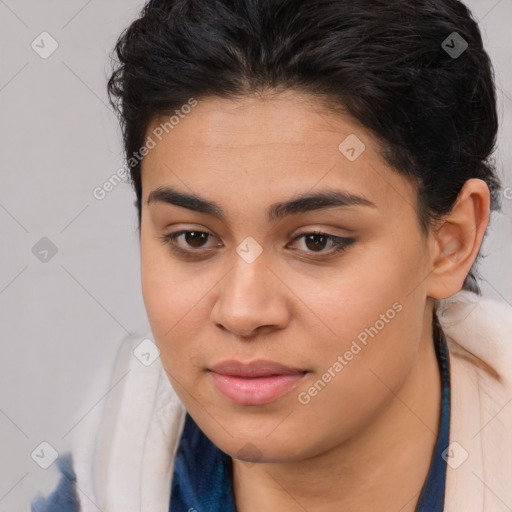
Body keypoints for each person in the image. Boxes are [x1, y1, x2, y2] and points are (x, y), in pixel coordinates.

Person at [31, 0, 512, 510]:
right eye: (194, 238)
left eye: (316, 240)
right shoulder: (106, 484)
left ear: (451, 241)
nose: (242, 311)